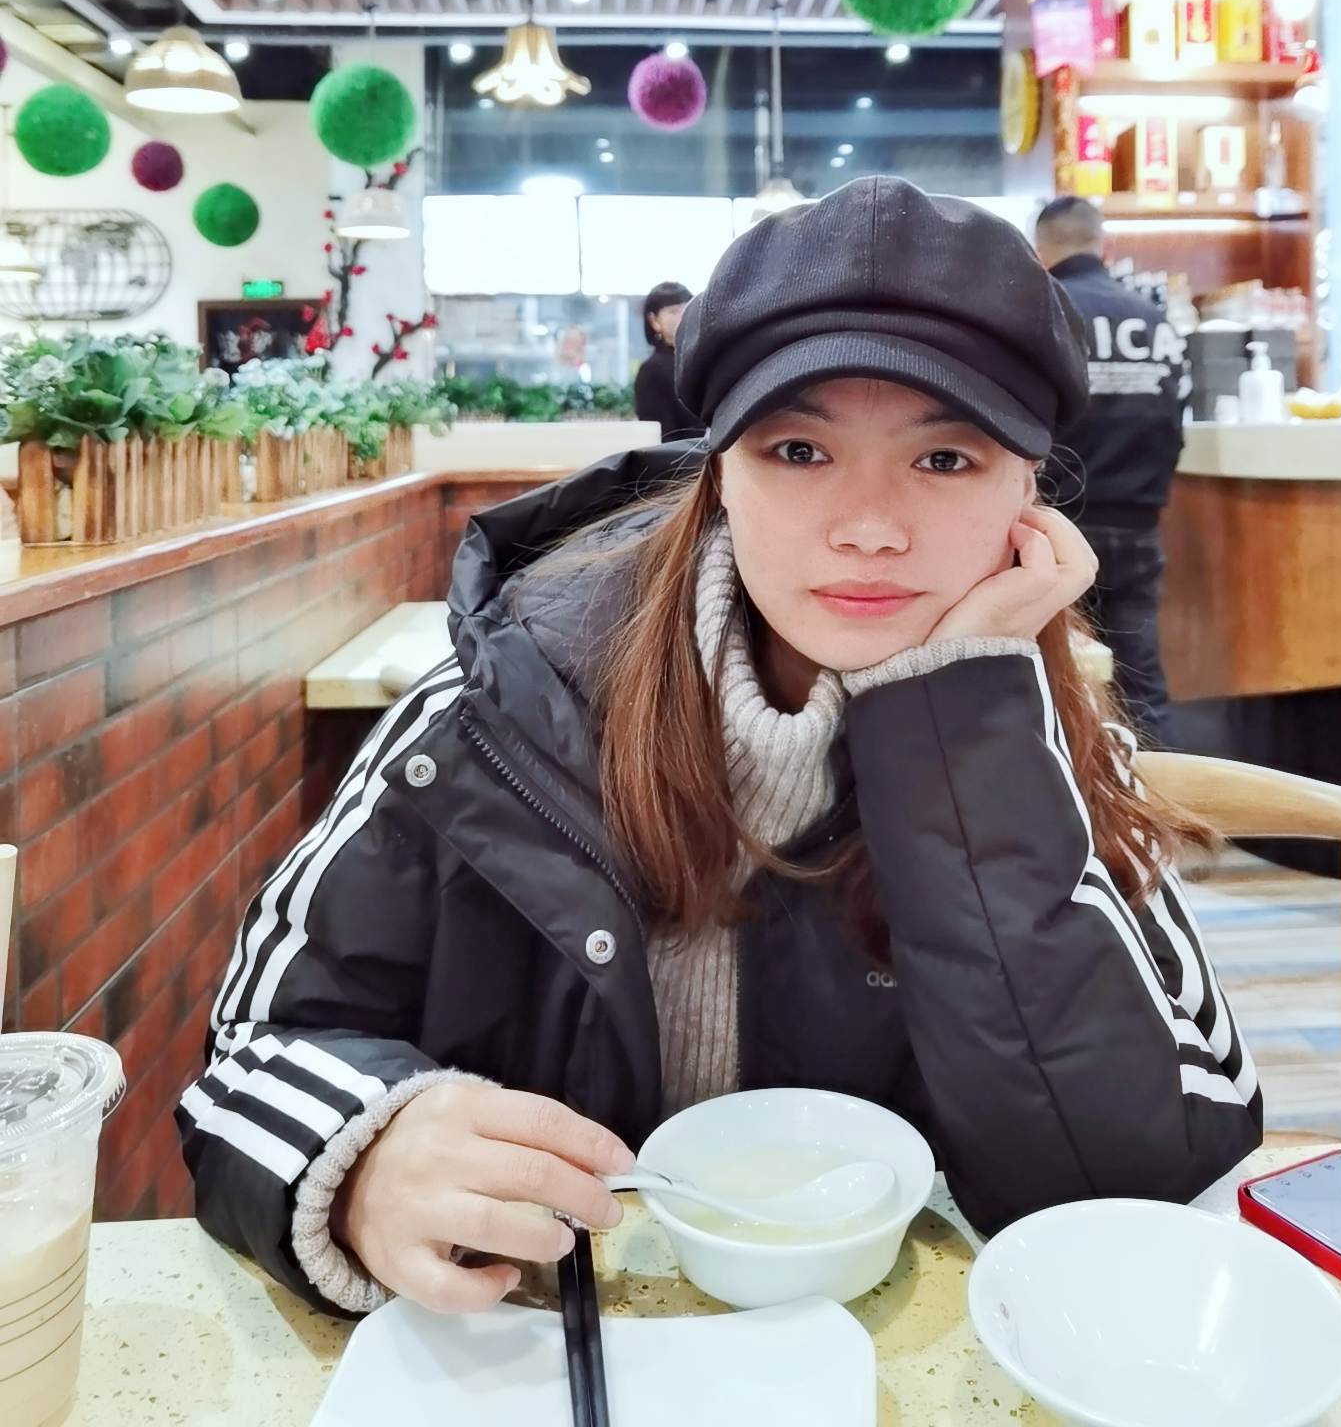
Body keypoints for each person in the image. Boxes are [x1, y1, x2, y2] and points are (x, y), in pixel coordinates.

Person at [178, 177, 1259, 1318]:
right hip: (533, 1334)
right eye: (798, 449)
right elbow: (253, 1050)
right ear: (720, 471)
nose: (870, 527)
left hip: (873, 1340)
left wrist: (956, 726)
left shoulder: (1039, 742)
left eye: (946, 460)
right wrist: (365, 1152)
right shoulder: (496, 712)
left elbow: (1146, 1165)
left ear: (1028, 493)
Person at [1032, 196, 1187, 741]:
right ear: (1105, 245)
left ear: (1040, 251)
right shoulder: (1155, 321)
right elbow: (1176, 421)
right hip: (1138, 524)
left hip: (1057, 524)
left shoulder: (1045, 314)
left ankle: (1076, 785)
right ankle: (1156, 785)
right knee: (1141, 678)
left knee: (1059, 673)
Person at [632, 279, 704, 439]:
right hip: (684, 453)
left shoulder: (700, 359)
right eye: (673, 311)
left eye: (687, 308)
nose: (682, 316)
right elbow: (662, 435)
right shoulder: (651, 371)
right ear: (654, 321)